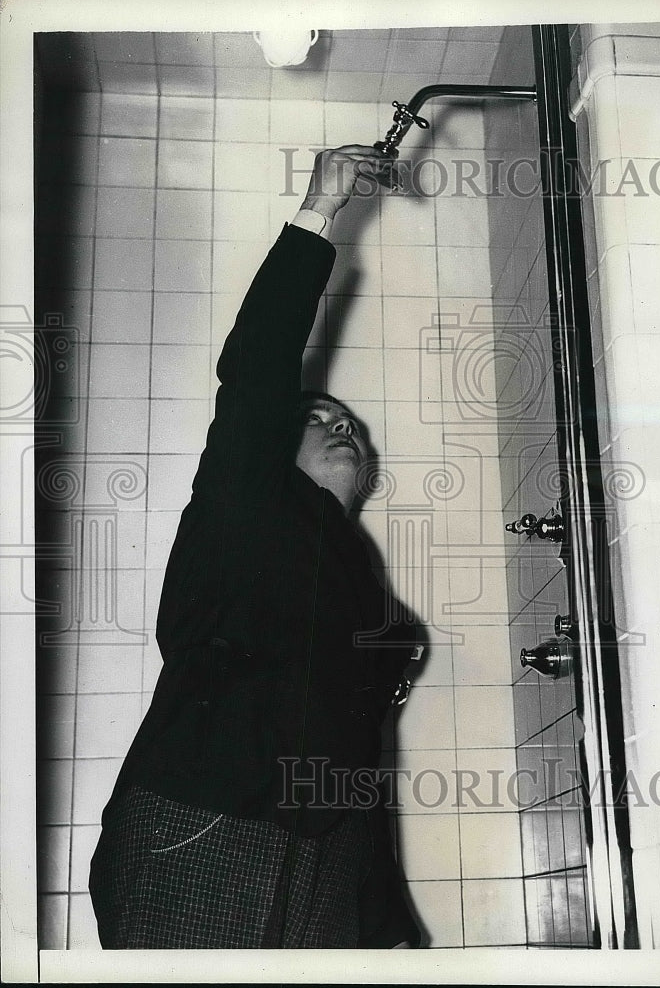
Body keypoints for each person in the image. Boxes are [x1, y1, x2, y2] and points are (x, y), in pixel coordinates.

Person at [88, 146, 423, 950]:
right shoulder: (248, 505)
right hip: (208, 814)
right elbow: (257, 372)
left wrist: (385, 916)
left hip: (333, 849)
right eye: (315, 417)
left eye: (350, 424)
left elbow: (358, 748)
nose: (340, 423)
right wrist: (319, 212)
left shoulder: (358, 579)